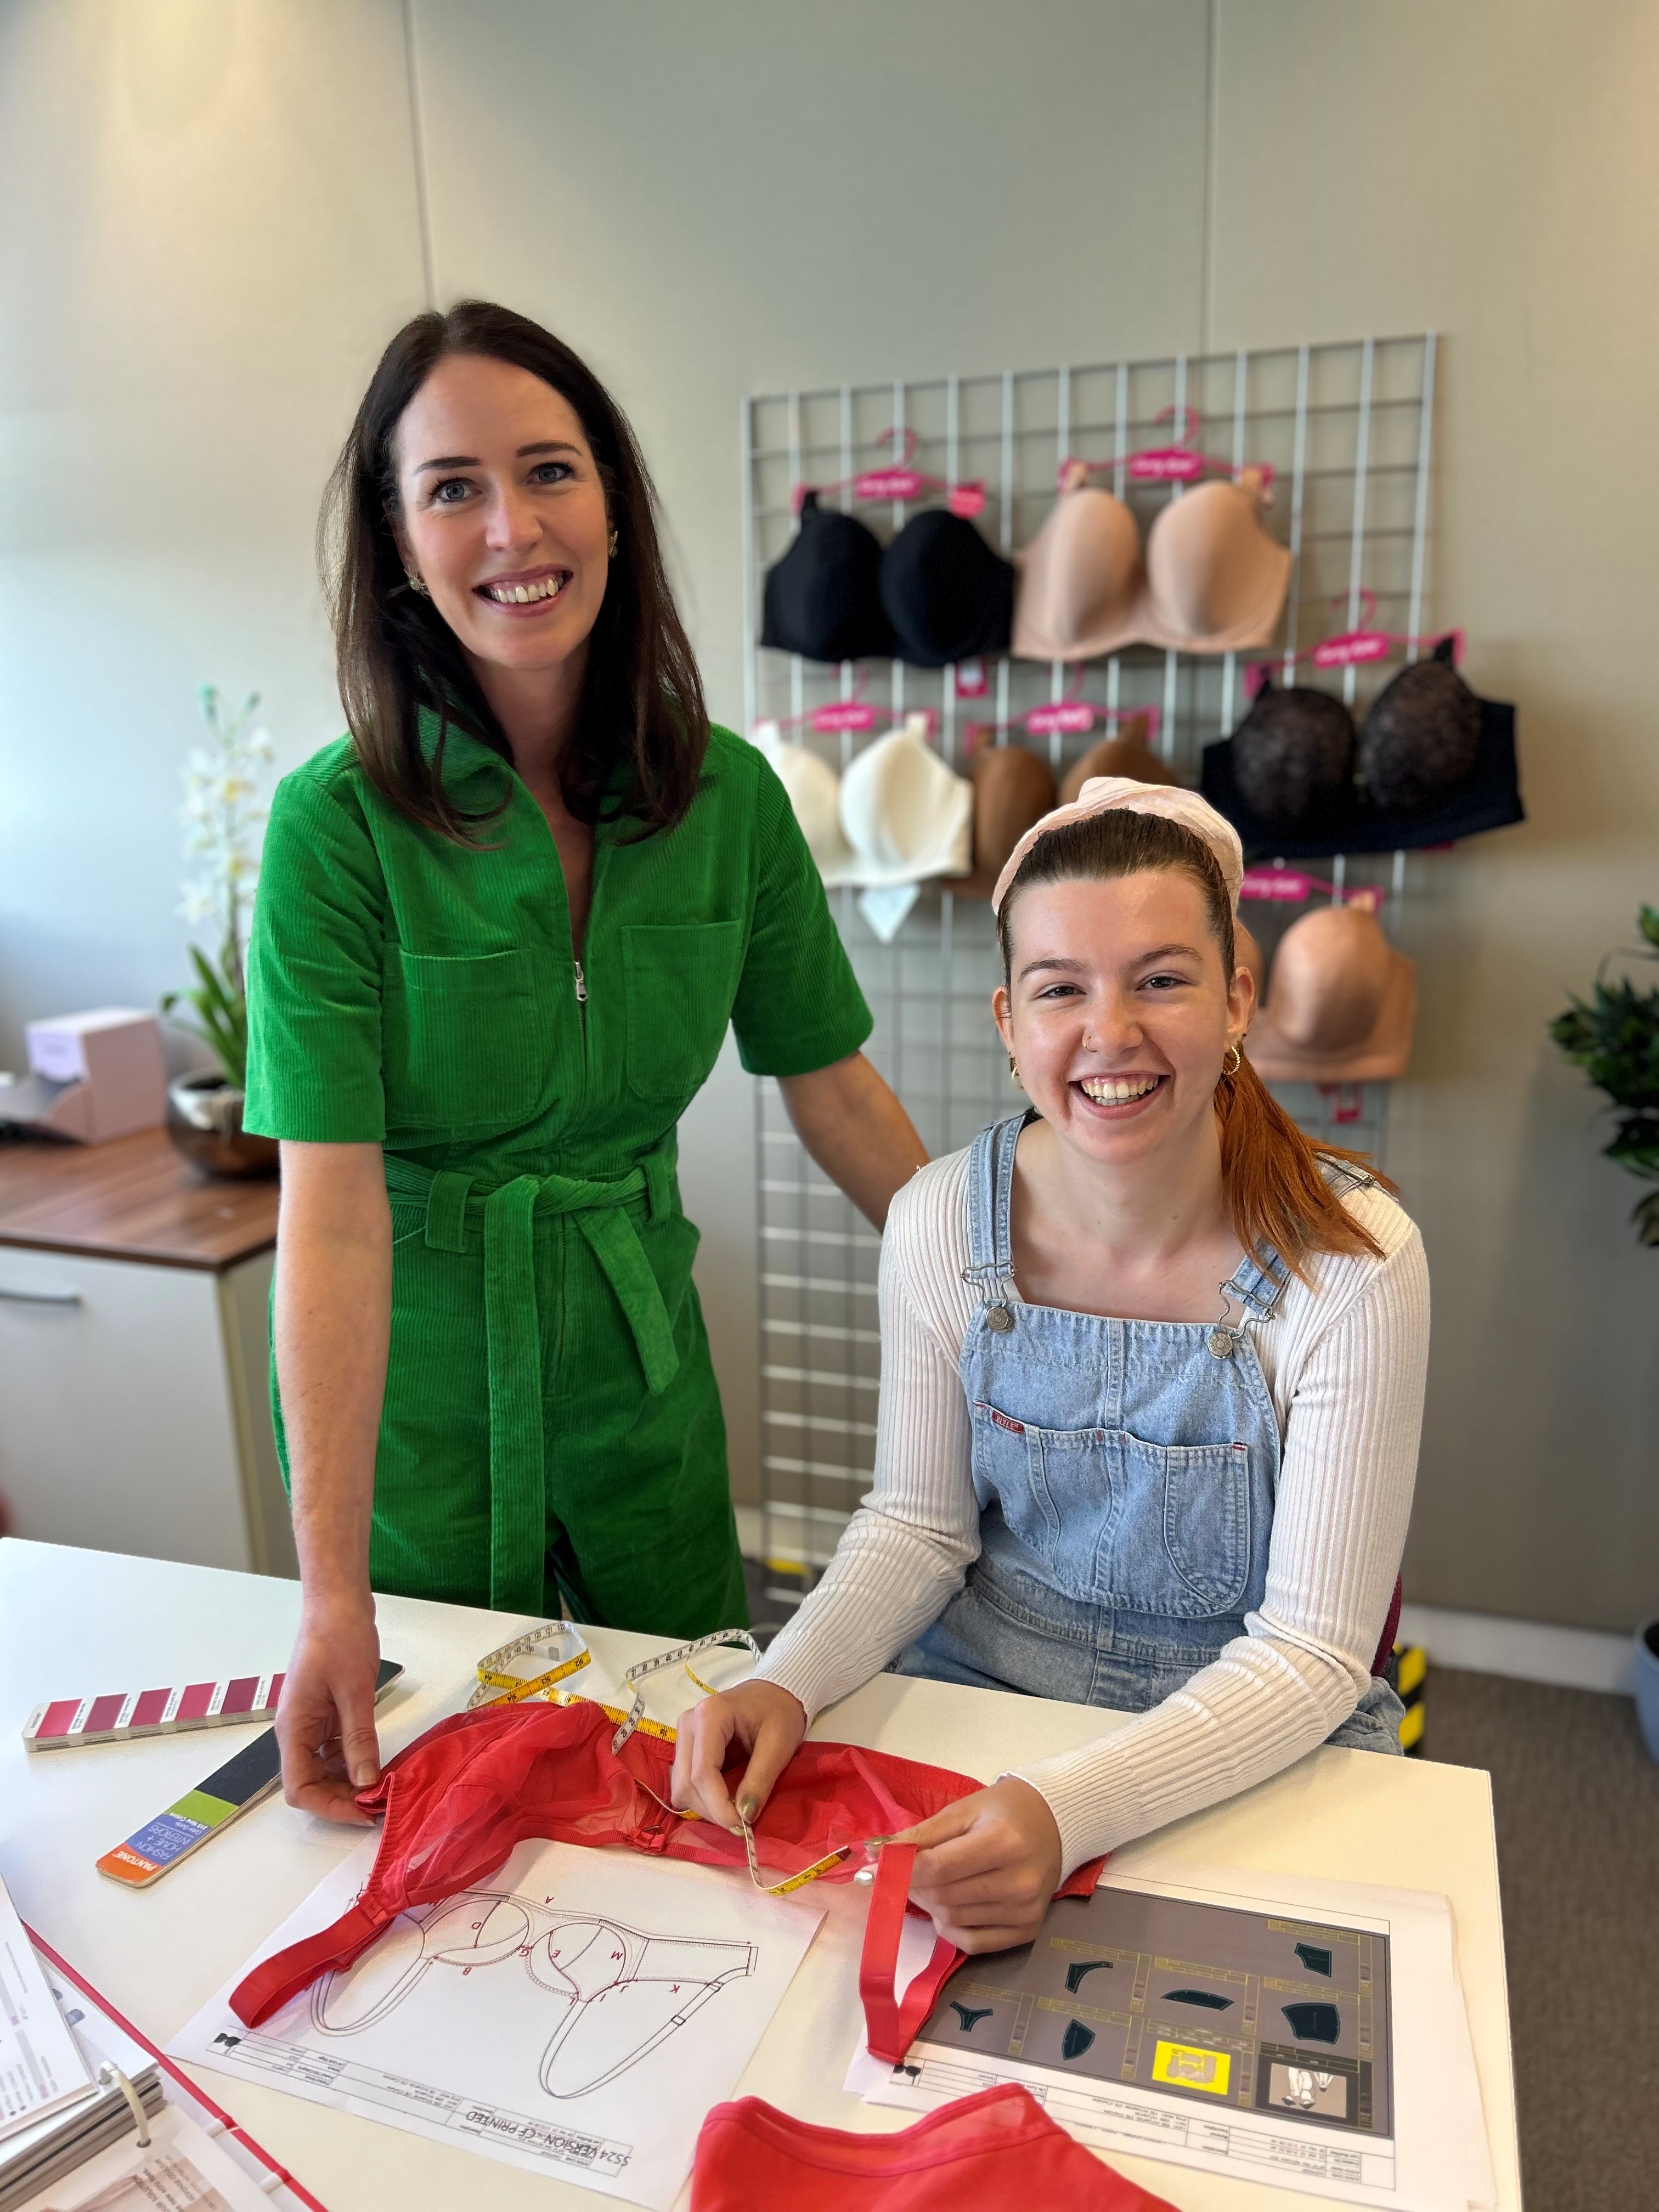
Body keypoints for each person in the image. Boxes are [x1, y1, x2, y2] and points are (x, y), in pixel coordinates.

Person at [246, 301, 927, 1824]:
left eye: (549, 470)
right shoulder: (336, 827)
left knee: (689, 1788)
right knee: (429, 1816)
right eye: (453, 489)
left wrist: (1013, 1289)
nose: (513, 529)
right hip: (412, 1413)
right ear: (399, 539)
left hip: (642, 1390)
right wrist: (330, 1591)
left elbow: (834, 1088)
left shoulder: (729, 799)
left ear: (613, 501)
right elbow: (331, 1217)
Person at [673, 780, 1429, 1954]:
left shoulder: (1352, 1260)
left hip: (1256, 1739)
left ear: (1237, 998)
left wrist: (1063, 1810)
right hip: (982, 1701)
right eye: (1060, 988)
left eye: (1161, 980)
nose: (1109, 1034)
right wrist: (790, 1676)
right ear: (1008, 1021)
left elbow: (1311, 1654)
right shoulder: (938, 1222)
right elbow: (918, 1529)